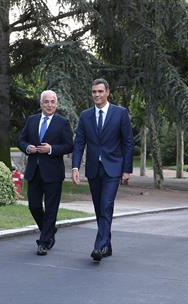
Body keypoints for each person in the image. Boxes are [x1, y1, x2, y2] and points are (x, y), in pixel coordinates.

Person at [72, 78, 133, 262]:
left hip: (113, 168)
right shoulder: (85, 115)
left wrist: (127, 169)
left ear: (107, 92)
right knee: (99, 208)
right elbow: (79, 142)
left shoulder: (120, 113)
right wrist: (75, 167)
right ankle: (107, 245)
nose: (97, 95)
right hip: (93, 169)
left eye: (100, 91)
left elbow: (128, 142)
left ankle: (99, 247)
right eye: (94, 92)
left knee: (106, 205)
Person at [18, 90, 73, 256]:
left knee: (51, 209)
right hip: (34, 171)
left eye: (53, 102)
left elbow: (69, 145)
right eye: (46, 102)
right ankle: (49, 231)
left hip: (53, 173)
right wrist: (27, 147)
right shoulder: (32, 120)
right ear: (41, 104)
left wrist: (51, 149)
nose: (50, 105)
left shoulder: (62, 123)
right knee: (34, 206)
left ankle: (44, 242)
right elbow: (21, 140)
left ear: (56, 104)